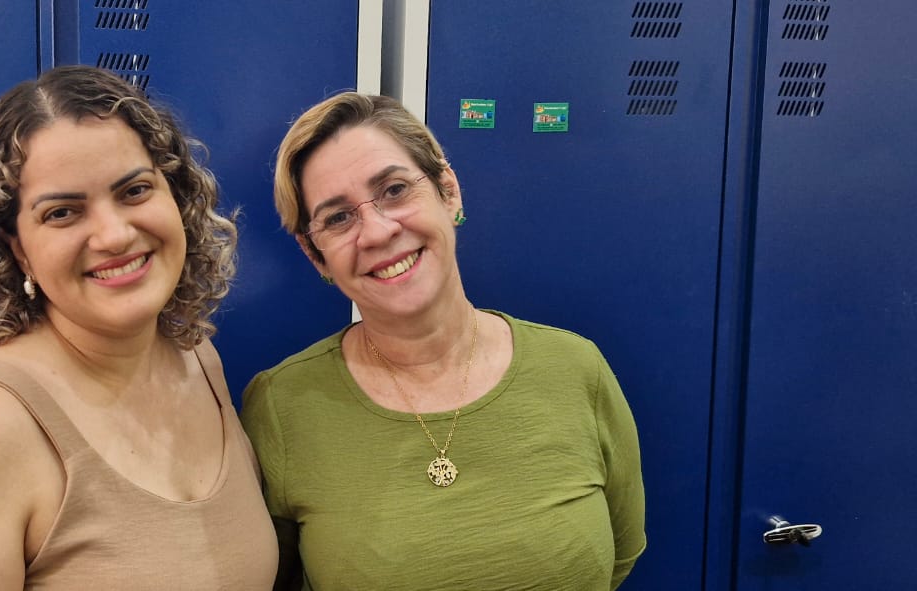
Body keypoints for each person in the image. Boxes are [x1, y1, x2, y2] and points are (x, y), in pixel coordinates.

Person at [0, 65, 277, 589]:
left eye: (135, 190)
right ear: (18, 249)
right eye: (62, 213)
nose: (114, 235)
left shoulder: (196, 358)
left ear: (177, 197)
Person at [240, 92, 646, 590]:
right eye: (338, 218)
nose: (377, 232)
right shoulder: (282, 407)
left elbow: (621, 553)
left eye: (394, 190)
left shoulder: (577, 369)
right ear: (314, 253)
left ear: (448, 191)